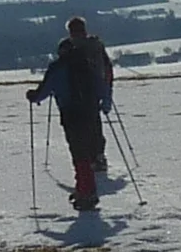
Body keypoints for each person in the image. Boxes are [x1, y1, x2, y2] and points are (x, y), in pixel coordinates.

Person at [27, 32, 111, 211]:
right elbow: (101, 86)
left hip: (72, 116)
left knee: (79, 154)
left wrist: (32, 96)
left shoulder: (57, 68)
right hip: (90, 113)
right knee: (86, 153)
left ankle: (87, 192)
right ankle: (83, 188)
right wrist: (105, 102)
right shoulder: (86, 64)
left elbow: (43, 92)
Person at [61, 16, 115, 172]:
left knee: (79, 130)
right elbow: (107, 70)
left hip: (73, 96)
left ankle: (87, 159)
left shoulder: (66, 48)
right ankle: (98, 156)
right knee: (94, 125)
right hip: (94, 93)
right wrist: (106, 94)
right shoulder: (95, 46)